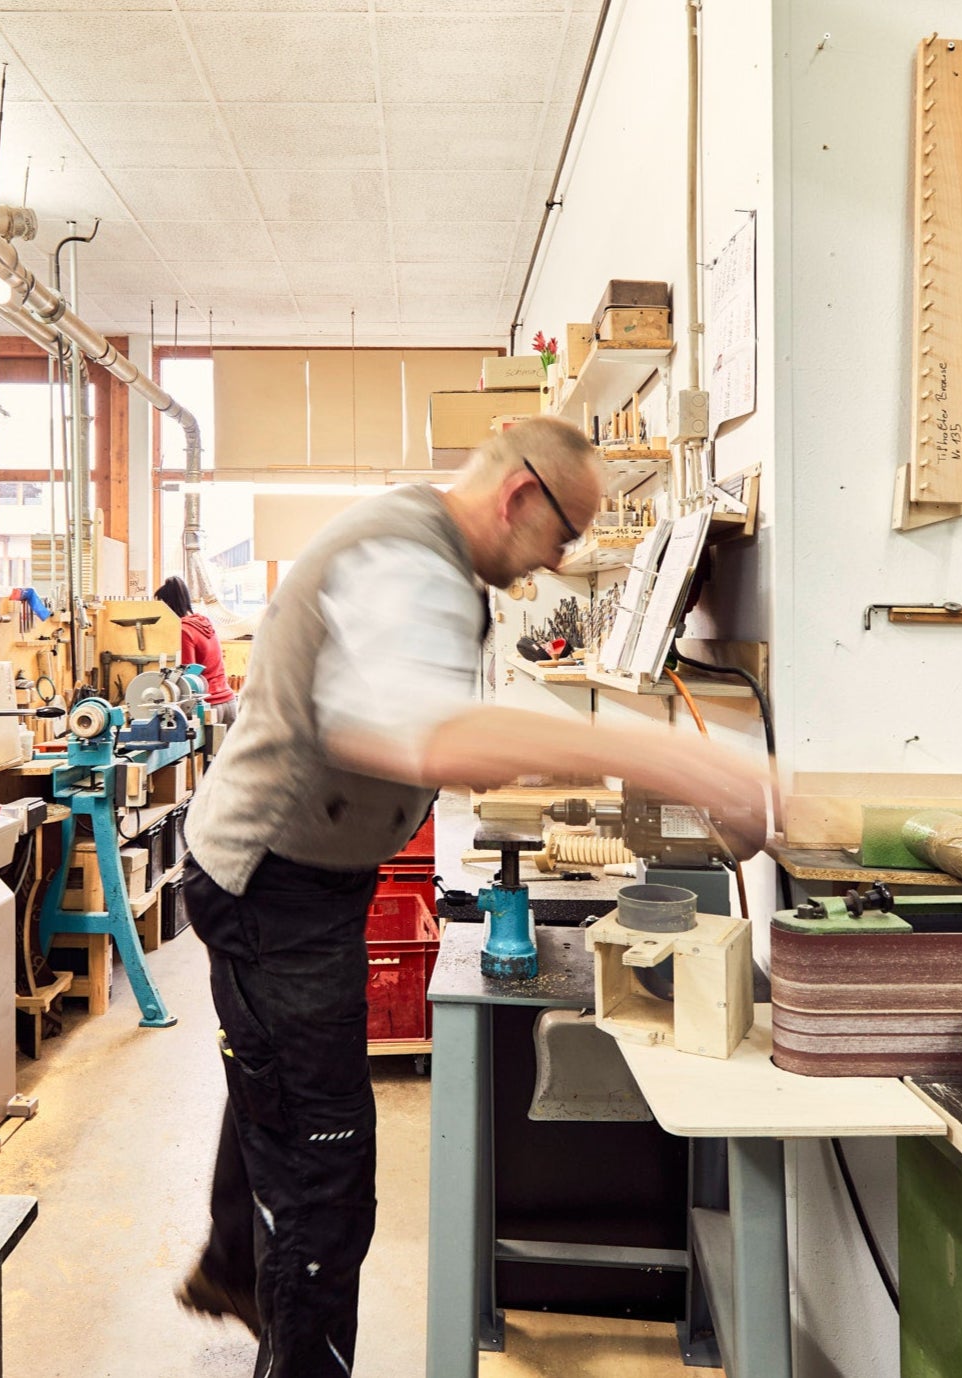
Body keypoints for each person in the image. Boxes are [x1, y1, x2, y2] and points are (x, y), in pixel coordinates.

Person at [175, 414, 770, 1376]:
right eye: (564, 534)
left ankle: (234, 1265)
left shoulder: (431, 549)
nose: (555, 562)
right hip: (269, 881)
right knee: (326, 1174)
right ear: (518, 495)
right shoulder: (406, 560)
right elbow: (430, 739)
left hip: (300, 875)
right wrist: (674, 760)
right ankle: (274, 1303)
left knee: (277, 1091)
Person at [155, 574, 239, 727]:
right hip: (228, 701)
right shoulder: (204, 623)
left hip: (210, 706)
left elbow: (189, 675)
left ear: (169, 605)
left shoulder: (184, 630)